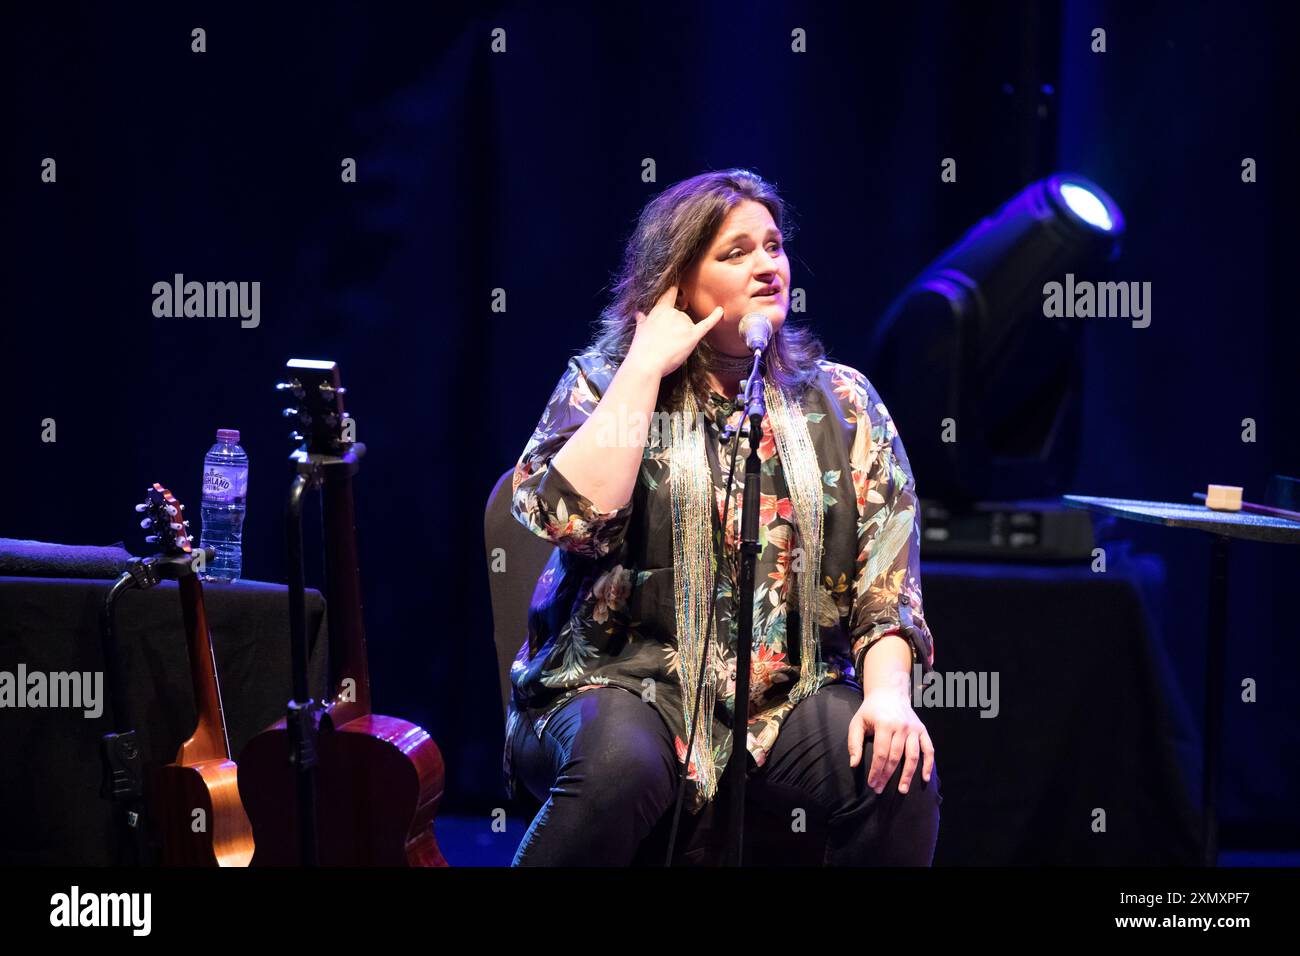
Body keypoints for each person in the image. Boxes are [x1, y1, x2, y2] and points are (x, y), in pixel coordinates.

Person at [504, 168, 941, 866]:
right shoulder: (604, 382)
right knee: (621, 767)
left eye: (772, 245)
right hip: (615, 681)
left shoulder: (845, 402)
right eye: (735, 252)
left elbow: (885, 593)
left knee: (893, 771)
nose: (766, 264)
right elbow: (566, 519)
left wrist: (889, 697)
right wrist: (645, 367)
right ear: (676, 280)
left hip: (785, 695)